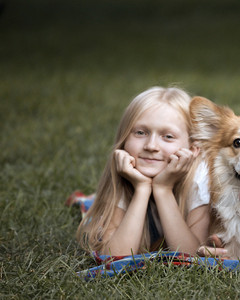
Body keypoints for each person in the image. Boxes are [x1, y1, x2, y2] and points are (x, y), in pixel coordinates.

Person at [77, 86, 210, 256]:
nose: (151, 146)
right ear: (124, 139)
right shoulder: (126, 170)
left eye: (168, 136)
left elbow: (192, 257)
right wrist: (141, 188)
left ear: (192, 149)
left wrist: (163, 190)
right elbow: (113, 257)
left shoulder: (200, 178)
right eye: (140, 132)